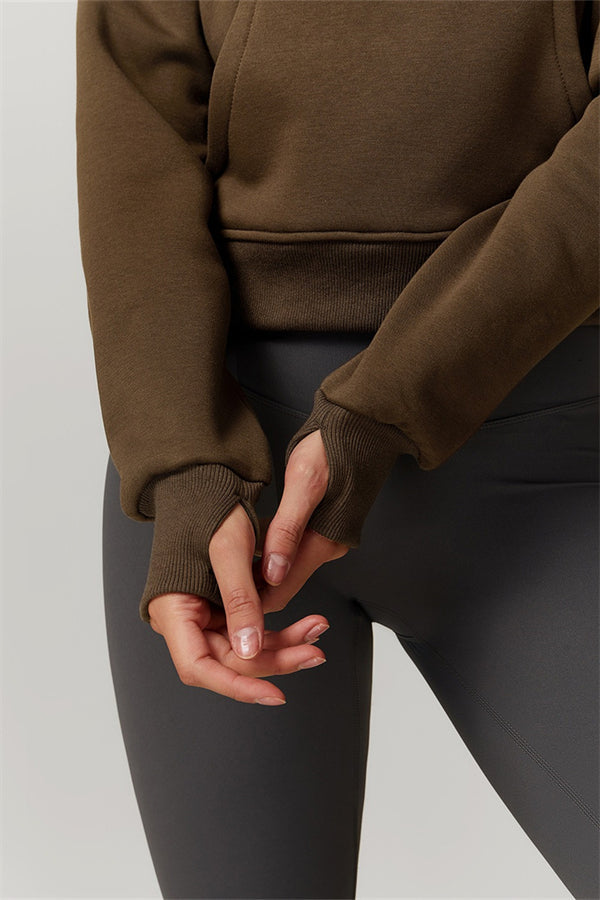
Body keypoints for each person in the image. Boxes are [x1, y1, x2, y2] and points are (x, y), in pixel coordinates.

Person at [75, 1, 599, 897]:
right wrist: (184, 467)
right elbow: (136, 136)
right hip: (225, 477)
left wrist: (386, 404)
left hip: (543, 455)